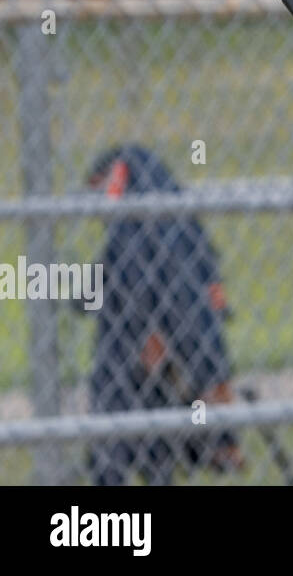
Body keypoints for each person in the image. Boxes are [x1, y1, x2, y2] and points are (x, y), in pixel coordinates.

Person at [86, 146, 242, 485]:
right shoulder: (156, 221)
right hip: (146, 355)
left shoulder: (147, 225)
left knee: (132, 423)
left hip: (153, 357)